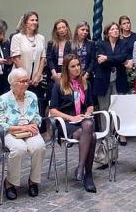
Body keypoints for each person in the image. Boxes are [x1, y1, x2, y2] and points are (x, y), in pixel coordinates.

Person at [48, 54, 97, 193]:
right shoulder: (59, 84)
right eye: (73, 66)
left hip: (82, 120)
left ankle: (81, 168)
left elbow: (90, 105)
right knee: (92, 136)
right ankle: (87, 175)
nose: (76, 69)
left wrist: (87, 113)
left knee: (88, 125)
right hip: (66, 123)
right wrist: (71, 118)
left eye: (78, 65)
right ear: (67, 68)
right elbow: (53, 111)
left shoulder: (85, 83)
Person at [0, 68, 46, 200]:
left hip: (29, 131)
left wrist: (35, 124)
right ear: (12, 83)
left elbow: (37, 116)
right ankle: (10, 183)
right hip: (11, 132)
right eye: (21, 81)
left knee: (39, 146)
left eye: (26, 81)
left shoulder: (32, 96)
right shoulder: (2, 100)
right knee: (19, 149)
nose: (25, 84)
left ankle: (33, 181)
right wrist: (21, 128)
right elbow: (1, 125)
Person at [10, 12, 47, 118]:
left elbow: (43, 57)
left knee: (35, 109)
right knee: (20, 109)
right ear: (25, 22)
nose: (34, 22)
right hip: (20, 80)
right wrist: (26, 78)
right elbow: (16, 59)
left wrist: (38, 75)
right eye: (32, 20)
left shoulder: (41, 38)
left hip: (36, 81)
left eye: (36, 20)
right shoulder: (17, 37)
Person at [47, 19, 73, 91]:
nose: (62, 30)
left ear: (67, 28)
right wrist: (54, 74)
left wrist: (64, 74)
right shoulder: (51, 43)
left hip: (67, 73)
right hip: (53, 73)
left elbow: (72, 59)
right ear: (56, 31)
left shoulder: (72, 43)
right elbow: (49, 59)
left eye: (63, 27)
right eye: (59, 28)